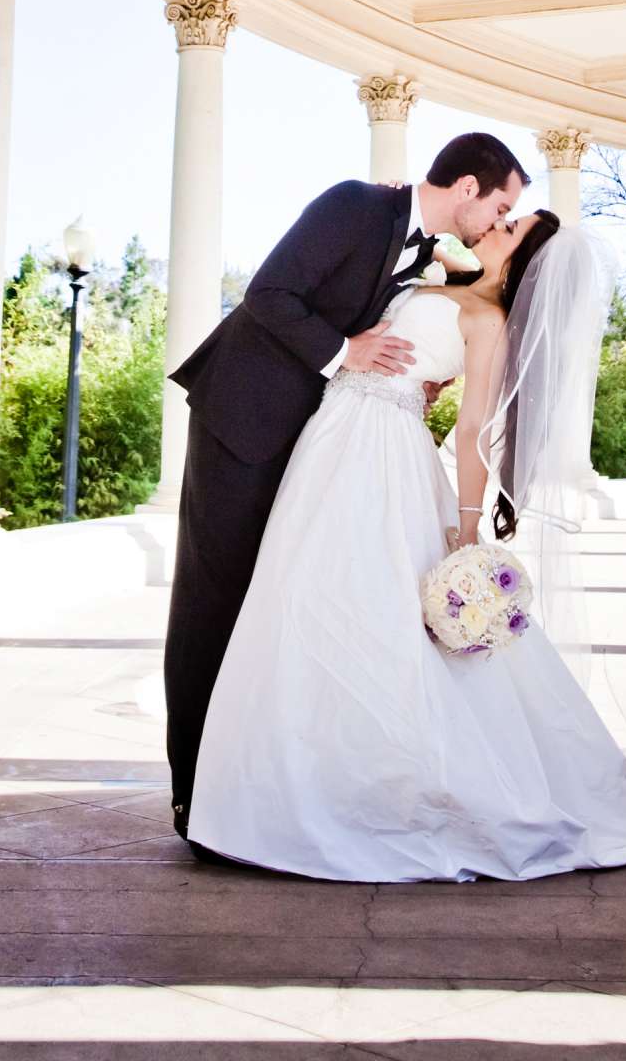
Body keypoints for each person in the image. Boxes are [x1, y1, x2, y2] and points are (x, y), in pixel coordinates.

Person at [186, 208, 626, 880]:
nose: (493, 228)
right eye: (501, 218)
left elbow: (475, 426)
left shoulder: (489, 324)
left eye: (508, 230)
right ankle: (295, 784)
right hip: (329, 439)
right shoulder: (442, 275)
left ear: (522, 264)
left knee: (374, 606)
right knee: (303, 596)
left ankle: (369, 789)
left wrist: (467, 526)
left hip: (384, 453)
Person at [163, 131, 529, 839]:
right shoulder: (357, 204)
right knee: (214, 599)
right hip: (245, 419)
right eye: (502, 205)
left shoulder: (428, 253)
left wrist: (410, 376)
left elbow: (421, 329)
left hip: (319, 442)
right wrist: (346, 352)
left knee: (273, 603)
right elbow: (268, 293)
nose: (496, 221)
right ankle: (192, 791)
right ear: (468, 189)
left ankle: (254, 777)